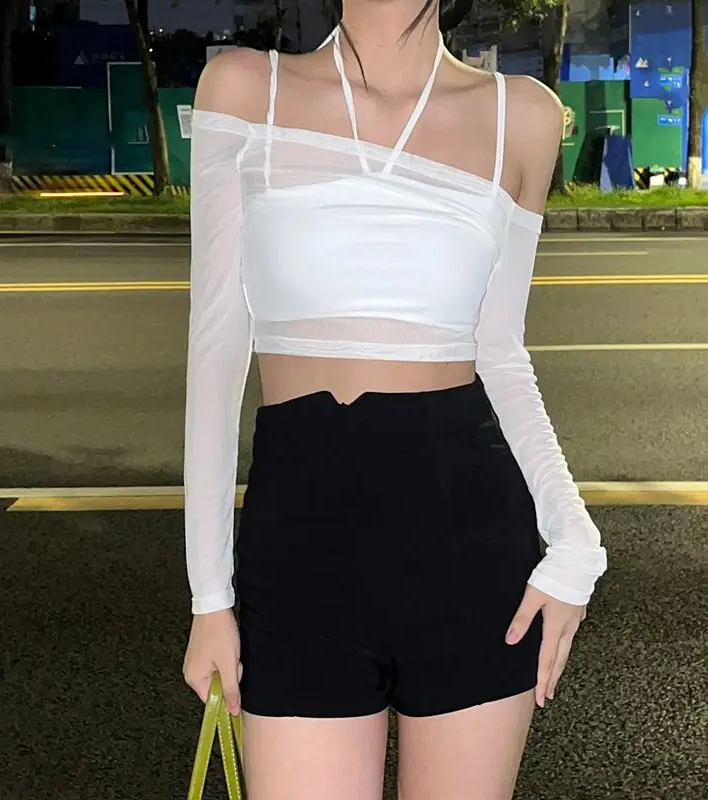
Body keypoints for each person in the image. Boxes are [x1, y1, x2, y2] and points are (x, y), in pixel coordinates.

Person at [182, 1, 608, 797]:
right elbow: (215, 353)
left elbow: (500, 353)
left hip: (469, 543)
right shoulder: (243, 88)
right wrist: (210, 595)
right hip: (300, 544)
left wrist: (575, 539)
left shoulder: (522, 116)